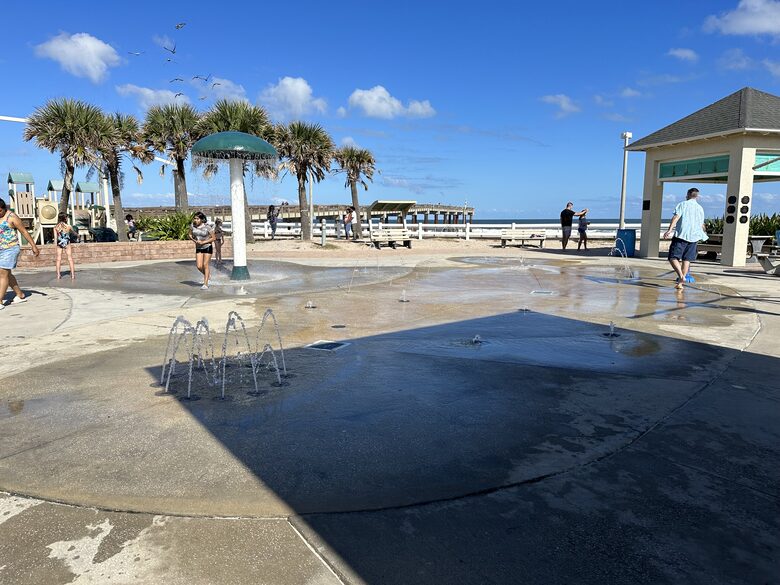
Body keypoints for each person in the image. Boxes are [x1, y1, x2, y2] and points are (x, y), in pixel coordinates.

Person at [663, 188, 707, 290]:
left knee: (673, 257)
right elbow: (702, 224)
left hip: (682, 235)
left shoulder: (683, 204)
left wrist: (669, 230)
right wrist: (704, 234)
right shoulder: (700, 208)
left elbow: (676, 217)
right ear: (697, 196)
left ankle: (681, 277)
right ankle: (680, 284)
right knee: (687, 259)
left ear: (687, 195)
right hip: (694, 237)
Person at [0, 197, 40, 309]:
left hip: (11, 249)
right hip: (0, 249)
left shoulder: (12, 217)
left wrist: (33, 246)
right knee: (7, 274)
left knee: (2, 273)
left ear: (3, 208)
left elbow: (23, 231)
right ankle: (20, 294)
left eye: (0, 211)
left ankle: (0, 301)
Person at [189, 212, 215, 290]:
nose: (195, 220)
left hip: (207, 247)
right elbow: (190, 235)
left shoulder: (207, 227)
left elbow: (213, 238)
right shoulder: (192, 226)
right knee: (199, 266)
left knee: (205, 265)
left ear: (202, 219)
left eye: (197, 219)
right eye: (195, 218)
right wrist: (194, 240)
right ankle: (207, 276)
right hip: (199, 248)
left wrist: (203, 242)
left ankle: (205, 284)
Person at [54, 213, 77, 280]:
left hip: (59, 243)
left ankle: (58, 275)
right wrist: (77, 235)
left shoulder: (56, 227)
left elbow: (55, 238)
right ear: (64, 218)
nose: (67, 218)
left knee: (58, 259)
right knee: (70, 259)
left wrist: (56, 245)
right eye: (66, 217)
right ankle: (72, 275)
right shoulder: (68, 226)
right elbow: (73, 233)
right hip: (67, 243)